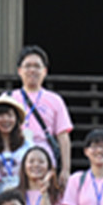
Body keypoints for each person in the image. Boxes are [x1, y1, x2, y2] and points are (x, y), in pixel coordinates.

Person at [11, 45, 72, 188]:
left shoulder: (55, 100)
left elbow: (63, 136)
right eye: (28, 66)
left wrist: (66, 169)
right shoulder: (9, 97)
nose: (32, 70)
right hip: (15, 158)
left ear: (45, 71)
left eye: (37, 66)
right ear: (19, 71)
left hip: (44, 159)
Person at [0, 93, 31, 194]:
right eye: (0, 115)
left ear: (16, 119)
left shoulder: (28, 146)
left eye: (10, 115)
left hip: (23, 197)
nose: (5, 119)